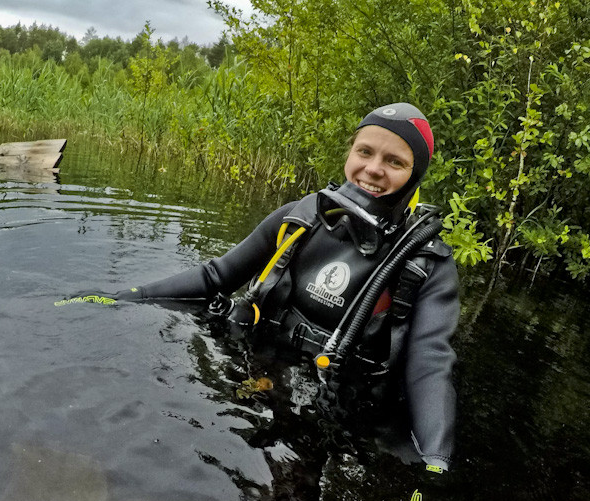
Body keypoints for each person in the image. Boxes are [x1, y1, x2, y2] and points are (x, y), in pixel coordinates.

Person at [64, 102, 459, 477]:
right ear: (350, 154)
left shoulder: (424, 265)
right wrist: (121, 297)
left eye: (395, 161)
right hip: (260, 368)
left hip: (342, 403)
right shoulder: (301, 218)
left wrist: (435, 458)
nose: (373, 169)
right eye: (365, 151)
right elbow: (215, 277)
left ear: (415, 175)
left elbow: (429, 364)